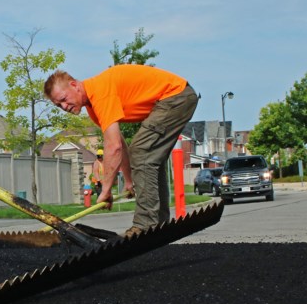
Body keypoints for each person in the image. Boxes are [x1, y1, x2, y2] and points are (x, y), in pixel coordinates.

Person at [45, 65, 198, 236]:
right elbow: (121, 144)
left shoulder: (100, 93)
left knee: (142, 151)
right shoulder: (94, 107)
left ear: (74, 85)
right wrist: (129, 180)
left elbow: (114, 147)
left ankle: (145, 225)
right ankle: (159, 225)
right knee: (150, 158)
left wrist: (105, 190)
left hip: (176, 97)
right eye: (59, 105)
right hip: (176, 98)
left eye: (64, 99)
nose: (64, 106)